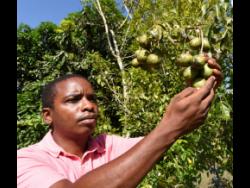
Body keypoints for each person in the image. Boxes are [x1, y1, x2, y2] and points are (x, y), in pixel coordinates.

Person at [17, 57, 222, 188]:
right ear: (47, 115)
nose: (89, 106)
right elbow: (165, 132)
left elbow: (156, 141)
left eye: (92, 98)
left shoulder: (109, 145)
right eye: (74, 100)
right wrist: (171, 126)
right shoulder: (26, 159)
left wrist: (202, 91)